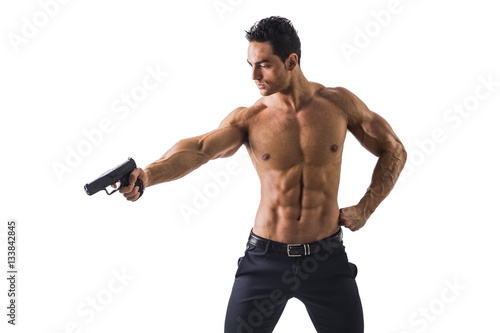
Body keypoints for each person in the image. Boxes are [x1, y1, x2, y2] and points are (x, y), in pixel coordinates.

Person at [119, 16, 407, 333]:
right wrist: (148, 174)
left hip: (327, 259)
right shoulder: (251, 118)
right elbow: (200, 148)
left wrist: (365, 208)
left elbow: (394, 149)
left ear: (292, 61)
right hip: (265, 259)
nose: (254, 75)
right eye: (250, 65)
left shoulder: (338, 105)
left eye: (264, 65)